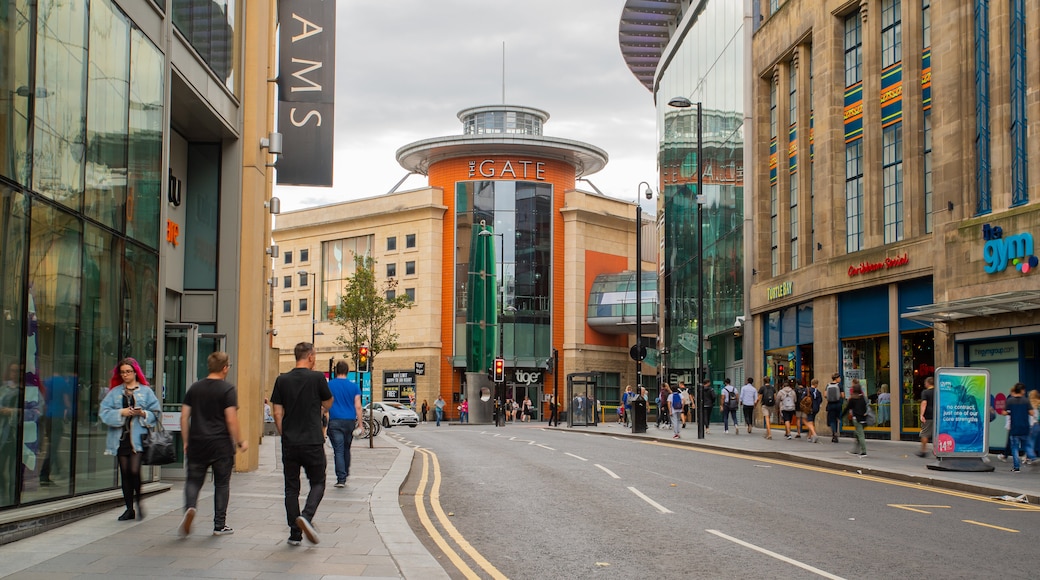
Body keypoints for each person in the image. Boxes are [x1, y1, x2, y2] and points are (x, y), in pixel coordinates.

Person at [271, 342, 333, 546]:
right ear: (311, 357)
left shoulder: (282, 380)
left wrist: (284, 434)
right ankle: (306, 516)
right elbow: (328, 403)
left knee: (291, 488)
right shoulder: (317, 378)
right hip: (312, 440)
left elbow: (277, 413)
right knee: (318, 482)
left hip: (290, 442)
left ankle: (294, 534)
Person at [178, 351, 246, 537]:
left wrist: (186, 441)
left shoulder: (195, 388)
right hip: (221, 444)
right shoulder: (227, 389)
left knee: (193, 480)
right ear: (225, 368)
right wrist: (240, 441)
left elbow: (184, 417)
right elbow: (231, 418)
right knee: (222, 484)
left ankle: (190, 508)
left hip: (197, 442)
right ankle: (219, 525)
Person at [99, 357, 161, 521]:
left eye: (128, 371)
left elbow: (156, 413)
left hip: (138, 439)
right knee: (125, 473)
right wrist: (121, 413)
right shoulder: (115, 392)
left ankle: (139, 501)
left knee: (134, 471)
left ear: (135, 372)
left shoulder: (146, 391)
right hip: (120, 439)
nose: (125, 375)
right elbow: (103, 412)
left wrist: (142, 413)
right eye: (123, 372)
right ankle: (129, 508)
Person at [326, 361, 362, 488]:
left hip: (335, 421)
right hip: (349, 422)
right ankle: (345, 473)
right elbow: (358, 406)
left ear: (336, 371)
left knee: (339, 450)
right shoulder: (354, 387)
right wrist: (361, 425)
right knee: (347, 448)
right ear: (347, 371)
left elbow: (325, 404)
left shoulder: (329, 385)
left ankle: (341, 478)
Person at [1005, 382, 1035, 472]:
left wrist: (1011, 413)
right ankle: (1032, 457)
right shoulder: (1026, 400)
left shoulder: (1010, 401)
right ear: (1022, 390)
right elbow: (1032, 413)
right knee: (1027, 445)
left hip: (1014, 428)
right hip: (1025, 427)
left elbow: (1003, 412)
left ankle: (1016, 467)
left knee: (1014, 448)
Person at [842, 379, 868, 456]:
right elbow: (865, 408)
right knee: (857, 434)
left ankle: (864, 451)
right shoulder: (863, 398)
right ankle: (855, 450)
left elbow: (847, 408)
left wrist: (842, 416)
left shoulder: (853, 399)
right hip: (863, 418)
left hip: (856, 418)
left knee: (860, 435)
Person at [916, 377, 935, 458]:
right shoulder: (938, 391)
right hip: (937, 414)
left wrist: (921, 414)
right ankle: (938, 450)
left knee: (925, 434)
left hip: (928, 415)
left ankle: (923, 451)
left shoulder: (925, 392)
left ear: (927, 383)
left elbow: (924, 403)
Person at [825, 373, 844, 443]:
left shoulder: (828, 385)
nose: (840, 379)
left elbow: (825, 395)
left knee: (831, 420)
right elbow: (842, 395)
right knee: (837, 419)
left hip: (830, 404)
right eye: (839, 378)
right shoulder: (839, 385)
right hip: (838, 404)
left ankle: (834, 433)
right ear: (836, 378)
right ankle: (836, 432)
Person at [803, 378, 822, 443]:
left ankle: (814, 434)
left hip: (809, 408)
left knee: (808, 421)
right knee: (812, 421)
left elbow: (803, 398)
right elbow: (820, 400)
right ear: (816, 384)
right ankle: (809, 436)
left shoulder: (807, 390)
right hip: (816, 408)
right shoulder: (818, 392)